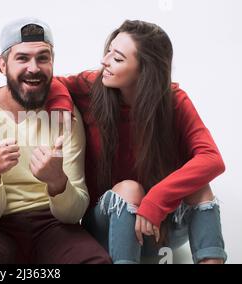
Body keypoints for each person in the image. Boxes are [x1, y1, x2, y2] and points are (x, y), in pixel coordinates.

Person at [0, 17, 111, 264]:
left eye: (43, 58)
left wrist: (57, 181)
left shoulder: (64, 114)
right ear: (2, 65)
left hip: (55, 227)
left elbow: (74, 213)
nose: (34, 67)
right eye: (22, 58)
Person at [55, 20, 227, 264]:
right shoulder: (91, 86)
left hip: (158, 229)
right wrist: (62, 107)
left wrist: (156, 199)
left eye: (118, 58)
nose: (105, 61)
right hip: (107, 224)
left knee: (201, 188)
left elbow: (211, 159)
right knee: (129, 188)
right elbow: (49, 84)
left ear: (145, 70)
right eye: (109, 51)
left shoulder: (174, 101)